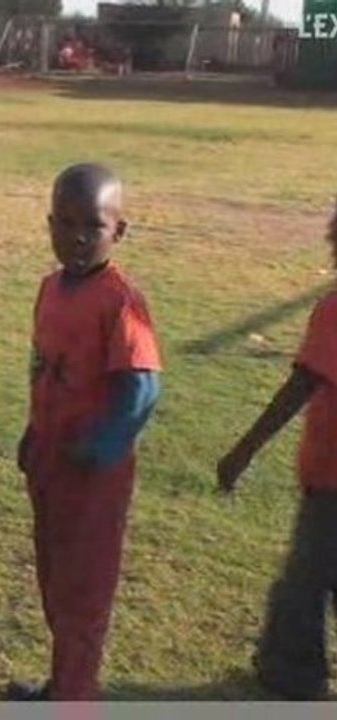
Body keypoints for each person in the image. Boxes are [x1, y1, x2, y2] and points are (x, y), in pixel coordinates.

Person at [9, 163, 162, 701]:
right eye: (65, 223)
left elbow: (141, 388)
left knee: (84, 592)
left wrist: (98, 449)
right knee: (54, 580)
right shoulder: (51, 288)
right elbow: (41, 366)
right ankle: (63, 683)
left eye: (92, 226)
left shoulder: (119, 301)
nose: (76, 237)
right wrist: (35, 433)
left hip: (93, 477)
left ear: (118, 231)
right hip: (51, 463)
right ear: (48, 223)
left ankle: (75, 699)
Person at [217, 199, 337, 701]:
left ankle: (291, 673)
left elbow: (303, 384)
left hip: (332, 482)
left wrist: (243, 450)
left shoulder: (334, 312)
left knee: (303, 585)